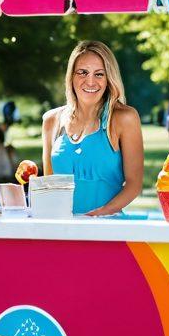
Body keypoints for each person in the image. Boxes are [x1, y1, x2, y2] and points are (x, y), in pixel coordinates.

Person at [42, 40, 144, 216]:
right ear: (71, 76)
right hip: (61, 230)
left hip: (107, 230)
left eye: (99, 74)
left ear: (108, 79)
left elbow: (134, 185)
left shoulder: (124, 118)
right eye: (82, 72)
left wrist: (99, 214)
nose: (90, 82)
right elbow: (49, 186)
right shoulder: (52, 121)